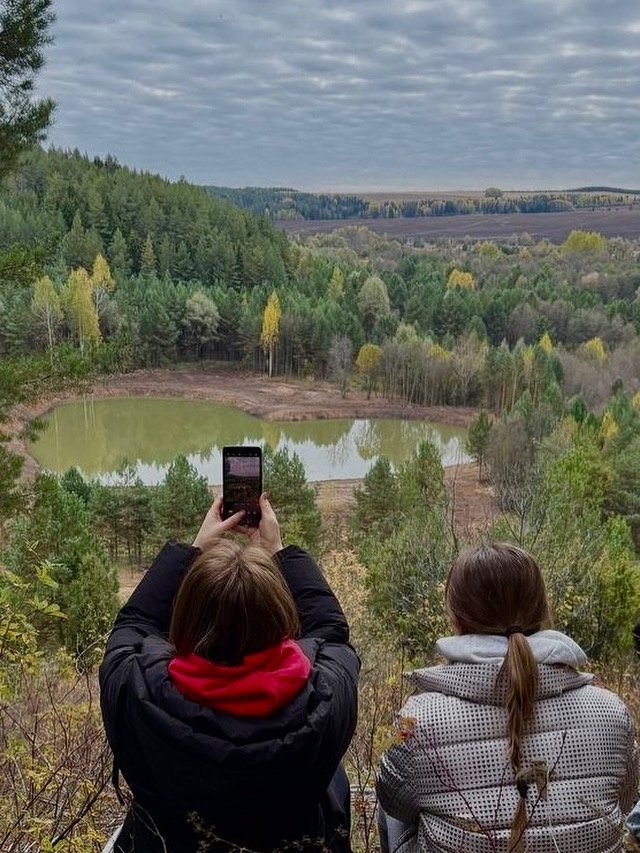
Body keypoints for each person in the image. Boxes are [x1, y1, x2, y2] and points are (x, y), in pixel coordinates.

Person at [99, 493, 359, 853]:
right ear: (281, 618)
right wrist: (278, 550)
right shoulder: (324, 698)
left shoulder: (136, 691)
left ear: (185, 619)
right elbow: (330, 630)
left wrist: (193, 550)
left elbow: (134, 623)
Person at [377, 543, 638, 853]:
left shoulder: (416, 720)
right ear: (542, 612)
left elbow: (393, 800)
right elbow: (625, 800)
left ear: (458, 620)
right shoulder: (610, 710)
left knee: (397, 802)